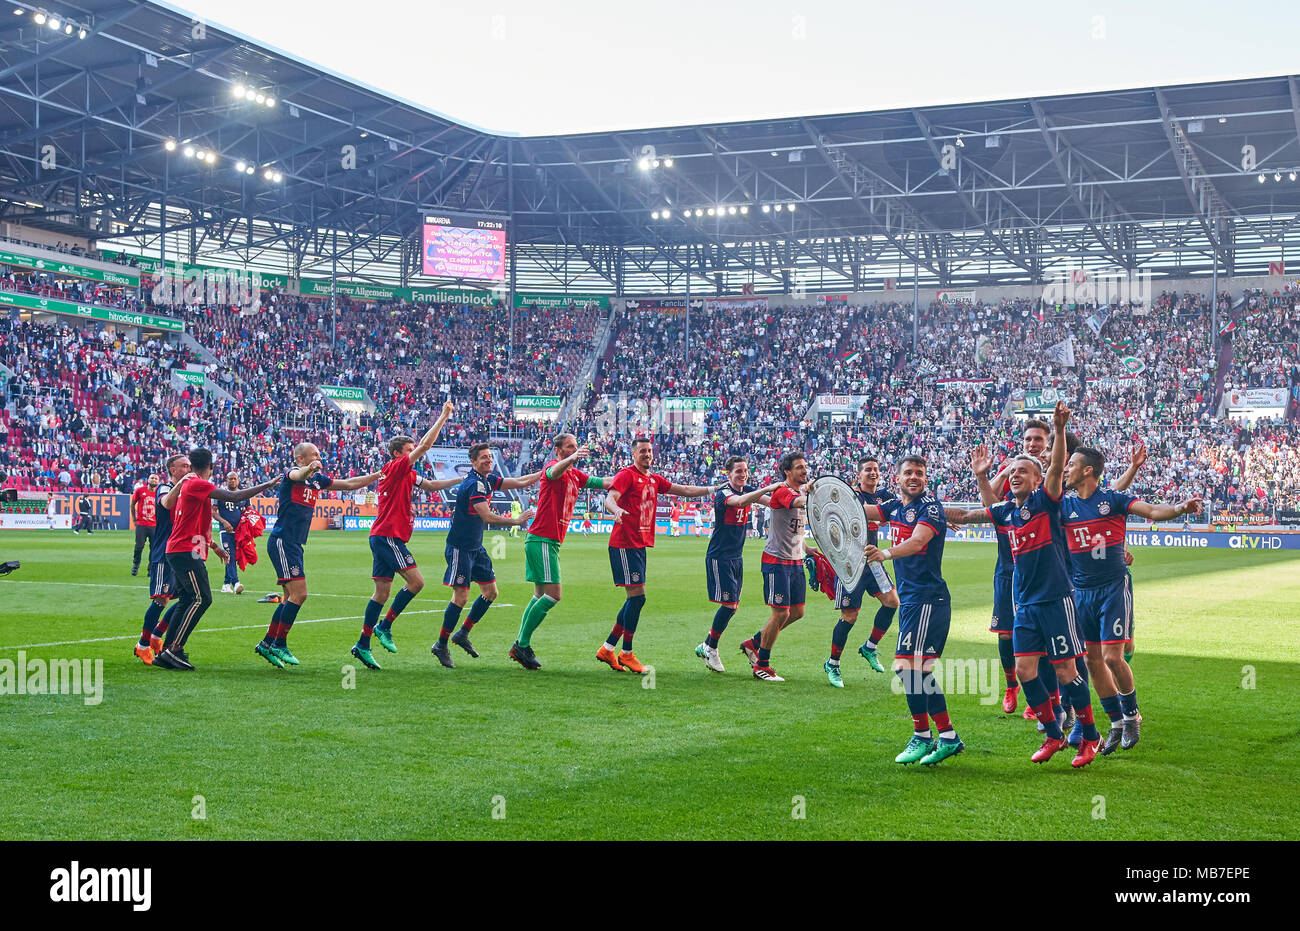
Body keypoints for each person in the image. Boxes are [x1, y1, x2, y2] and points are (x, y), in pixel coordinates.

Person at [977, 403, 1101, 767]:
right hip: (1025, 600)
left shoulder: (1047, 502)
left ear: (1039, 477)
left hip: (1056, 597)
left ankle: (1089, 735)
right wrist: (980, 480)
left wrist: (1060, 430)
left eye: (1023, 471)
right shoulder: (1008, 511)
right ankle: (1054, 733)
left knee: (1066, 670)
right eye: (1011, 471)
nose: (1014, 475)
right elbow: (975, 512)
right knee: (1027, 669)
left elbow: (1056, 471)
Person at [1061, 445, 1201, 753]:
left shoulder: (1113, 500)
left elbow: (1151, 511)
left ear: (1087, 470)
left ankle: (1132, 714)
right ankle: (1115, 723)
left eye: (1071, 463)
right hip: (1081, 592)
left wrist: (1179, 508)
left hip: (1113, 587)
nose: (1065, 468)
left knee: (1113, 657)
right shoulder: (1065, 506)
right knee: (1091, 661)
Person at [858, 456, 965, 766]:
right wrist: (819, 496)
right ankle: (947, 737)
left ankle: (922, 736)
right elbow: (868, 511)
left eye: (920, 472)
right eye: (909, 472)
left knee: (906, 668)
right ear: (898, 477)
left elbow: (918, 542)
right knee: (921, 672)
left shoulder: (929, 508)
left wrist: (885, 553)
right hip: (914, 601)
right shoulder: (895, 506)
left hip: (928, 601)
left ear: (926, 478)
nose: (914, 477)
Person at [351, 402, 459, 670]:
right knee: (417, 582)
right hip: (389, 536)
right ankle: (385, 626)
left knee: (381, 593)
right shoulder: (396, 467)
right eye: (409, 451)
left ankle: (363, 645)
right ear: (398, 454)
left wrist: (459, 481)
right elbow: (424, 446)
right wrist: (443, 415)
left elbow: (432, 485)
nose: (414, 454)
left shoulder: (408, 474)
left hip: (383, 536)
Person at [255, 443, 381, 668]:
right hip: (284, 541)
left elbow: (350, 484)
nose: (319, 457)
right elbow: (298, 473)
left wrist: (379, 474)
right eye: (315, 455)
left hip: (293, 543)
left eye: (319, 455)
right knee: (300, 594)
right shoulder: (292, 475)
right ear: (301, 458)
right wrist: (309, 468)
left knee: (289, 597)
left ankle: (267, 644)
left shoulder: (317, 480)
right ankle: (279, 644)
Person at [600, 437, 716, 674]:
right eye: (642, 451)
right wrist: (617, 509)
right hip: (624, 544)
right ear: (633, 454)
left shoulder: (653, 479)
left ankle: (608, 648)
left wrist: (714, 489)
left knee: (635, 598)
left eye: (650, 451)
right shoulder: (626, 475)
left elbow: (683, 490)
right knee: (637, 598)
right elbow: (609, 497)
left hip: (638, 544)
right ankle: (626, 653)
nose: (647, 454)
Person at [154, 449, 275, 671]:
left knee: (186, 599)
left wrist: (215, 546)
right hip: (186, 551)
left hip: (183, 549)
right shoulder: (198, 484)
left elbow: (194, 522)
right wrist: (268, 484)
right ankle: (174, 649)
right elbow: (235, 496)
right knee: (201, 599)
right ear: (210, 467)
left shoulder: (191, 485)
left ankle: (166, 652)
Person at [430, 442, 539, 669]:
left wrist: (549, 471)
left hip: (475, 547)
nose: (489, 460)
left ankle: (463, 633)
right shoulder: (474, 485)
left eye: (490, 457)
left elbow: (520, 481)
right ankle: (441, 644)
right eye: (484, 458)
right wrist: (516, 521)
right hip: (461, 547)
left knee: (490, 592)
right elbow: (487, 517)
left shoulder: (487, 480)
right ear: (473, 461)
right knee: (460, 597)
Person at [509, 434, 613, 670]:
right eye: (570, 447)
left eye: (576, 447)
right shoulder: (551, 468)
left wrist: (629, 477)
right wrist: (574, 457)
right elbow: (553, 472)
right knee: (553, 595)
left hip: (547, 540)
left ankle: (521, 644)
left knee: (538, 595)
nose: (575, 451)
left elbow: (605, 482)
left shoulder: (576, 475)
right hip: (543, 538)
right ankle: (521, 644)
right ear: (558, 450)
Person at [694, 456, 780, 673]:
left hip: (736, 557)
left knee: (733, 606)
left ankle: (707, 644)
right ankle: (710, 647)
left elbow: (770, 502)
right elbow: (740, 502)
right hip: (720, 556)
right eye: (739, 471)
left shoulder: (747, 490)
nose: (743, 474)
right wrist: (767, 488)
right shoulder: (724, 493)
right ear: (728, 474)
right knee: (730, 605)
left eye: (746, 471)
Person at [738, 452, 813, 683]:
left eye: (805, 466)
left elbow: (795, 527)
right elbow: (799, 503)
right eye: (799, 467)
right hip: (776, 561)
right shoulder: (782, 492)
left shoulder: (801, 491)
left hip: (795, 559)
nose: (804, 470)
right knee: (781, 613)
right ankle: (762, 665)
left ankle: (754, 643)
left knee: (797, 613)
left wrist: (807, 548)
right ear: (787, 472)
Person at [827, 456, 901, 686]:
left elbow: (909, 508)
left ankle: (869, 647)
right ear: (858, 475)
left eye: (876, 469)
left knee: (892, 601)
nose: (873, 473)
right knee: (850, 616)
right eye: (868, 470)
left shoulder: (885, 497)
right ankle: (833, 663)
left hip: (873, 561)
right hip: (850, 564)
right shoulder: (850, 496)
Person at [134, 456, 186, 666]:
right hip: (164, 553)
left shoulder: (184, 489)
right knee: (161, 599)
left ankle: (157, 635)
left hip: (181, 552)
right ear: (172, 469)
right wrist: (183, 483)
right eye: (184, 466)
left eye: (190, 466)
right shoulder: (164, 488)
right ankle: (143, 644)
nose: (188, 469)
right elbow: (167, 502)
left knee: (187, 597)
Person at [215, 471, 247, 594]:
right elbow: (213, 512)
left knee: (234, 557)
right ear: (226, 480)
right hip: (225, 531)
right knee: (229, 556)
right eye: (230, 479)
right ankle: (236, 583)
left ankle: (226, 584)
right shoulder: (220, 493)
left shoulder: (244, 494)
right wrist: (224, 522)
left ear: (238, 480)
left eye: (234, 478)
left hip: (239, 532)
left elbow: (248, 511)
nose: (232, 481)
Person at [130, 474, 158, 576]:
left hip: (154, 525)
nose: (153, 480)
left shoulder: (159, 493)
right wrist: (134, 519)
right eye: (152, 478)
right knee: (139, 546)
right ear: (148, 480)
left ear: (158, 481)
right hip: (141, 524)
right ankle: (135, 565)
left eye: (156, 478)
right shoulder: (140, 491)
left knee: (154, 548)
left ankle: (151, 569)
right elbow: (132, 504)